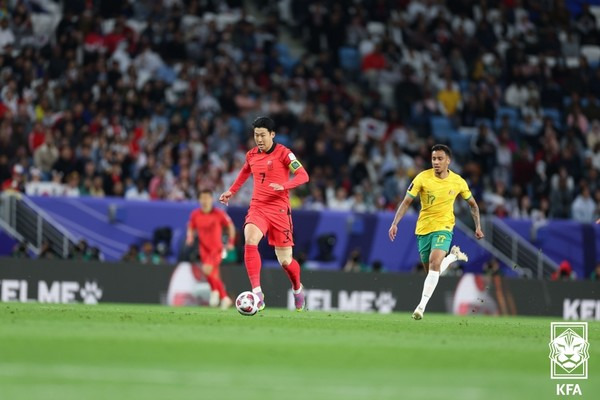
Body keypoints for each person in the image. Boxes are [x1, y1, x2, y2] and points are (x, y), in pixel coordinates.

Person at [219, 116, 309, 311]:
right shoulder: (251, 155)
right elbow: (244, 172)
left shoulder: (285, 154)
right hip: (258, 207)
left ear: (272, 134)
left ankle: (297, 288)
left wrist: (284, 185)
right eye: (256, 135)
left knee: (285, 261)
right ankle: (257, 293)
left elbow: (303, 176)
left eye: (262, 135)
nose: (258, 139)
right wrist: (231, 191)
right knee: (250, 239)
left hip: (279, 210)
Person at [388, 144, 484, 320]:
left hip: (444, 227)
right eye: (433, 159)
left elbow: (473, 205)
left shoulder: (458, 181)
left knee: (434, 262)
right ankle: (454, 257)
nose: (436, 162)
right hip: (424, 229)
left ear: (448, 161)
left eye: (440, 159)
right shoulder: (422, 178)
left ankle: (420, 307)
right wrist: (395, 223)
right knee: (433, 272)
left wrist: (477, 226)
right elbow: (406, 201)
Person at [186, 188, 236, 309]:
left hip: (216, 249)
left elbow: (230, 226)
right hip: (203, 248)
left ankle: (221, 295)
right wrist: (190, 237)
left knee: (207, 270)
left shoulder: (218, 214)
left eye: (207, 198)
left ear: (211, 199)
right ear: (199, 199)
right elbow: (191, 226)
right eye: (202, 198)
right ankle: (219, 294)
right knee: (211, 273)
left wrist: (231, 242)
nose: (205, 201)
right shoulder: (195, 214)